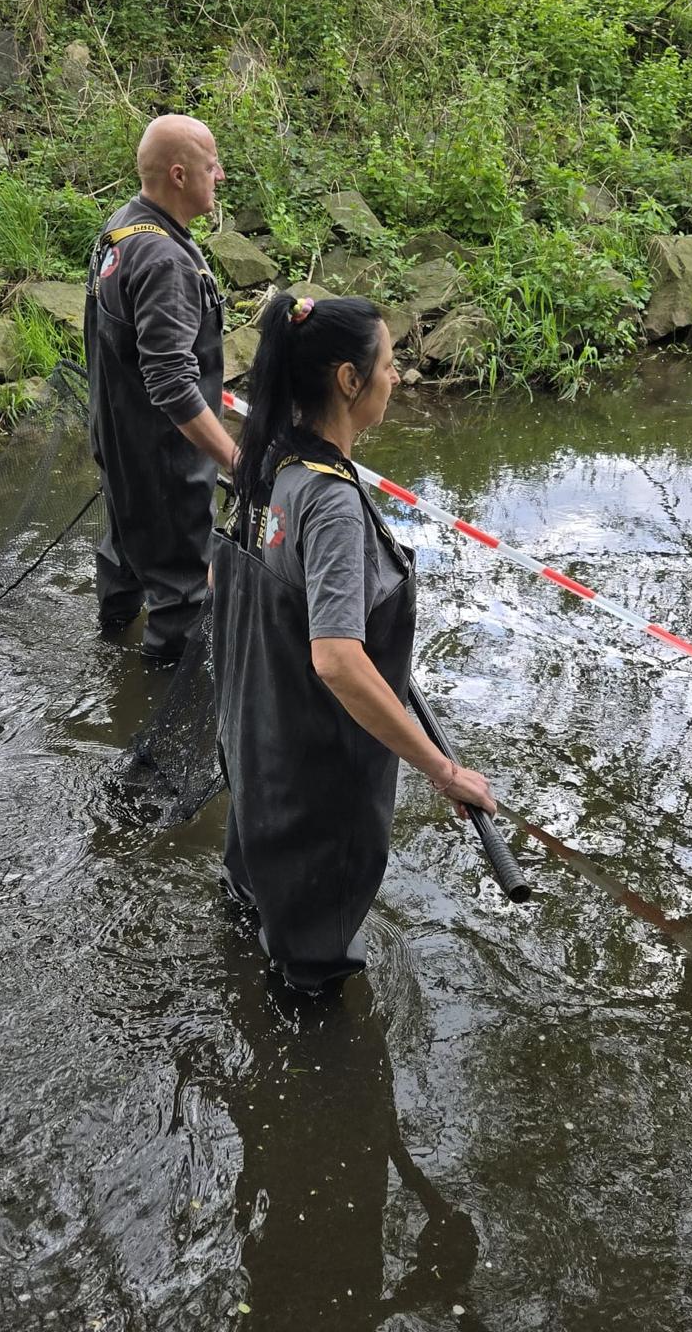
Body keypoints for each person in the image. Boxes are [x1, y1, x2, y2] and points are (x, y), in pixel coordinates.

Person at [212, 291, 496, 992]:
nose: (396, 377)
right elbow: (337, 660)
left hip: (254, 758)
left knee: (251, 914)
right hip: (315, 789)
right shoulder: (333, 502)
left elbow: (226, 588)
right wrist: (443, 770)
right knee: (312, 979)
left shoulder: (269, 462)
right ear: (348, 379)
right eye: (389, 363)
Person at [85, 114, 238, 663]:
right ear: (179, 175)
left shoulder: (121, 227)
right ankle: (160, 697)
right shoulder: (166, 261)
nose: (219, 176)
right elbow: (172, 383)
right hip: (164, 465)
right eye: (211, 165)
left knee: (124, 555)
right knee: (184, 597)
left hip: (118, 445)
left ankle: (111, 663)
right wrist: (235, 459)